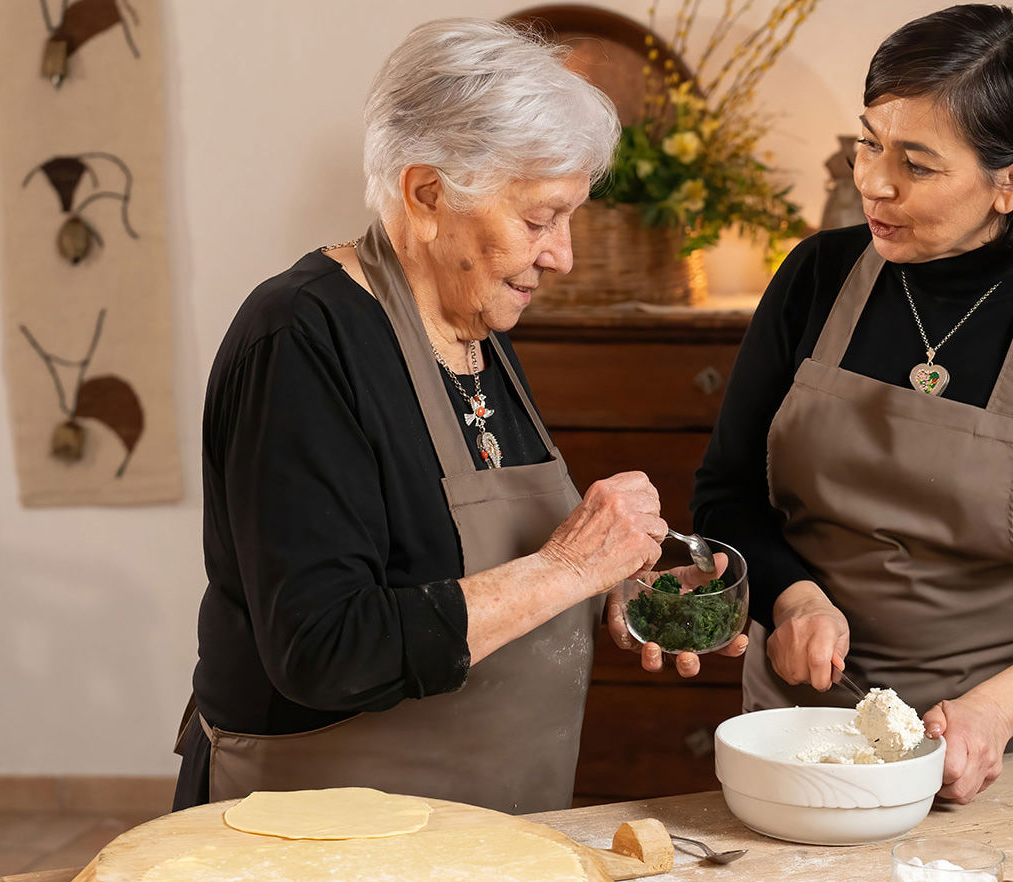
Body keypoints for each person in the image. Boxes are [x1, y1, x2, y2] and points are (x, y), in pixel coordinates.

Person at [174, 18, 743, 815]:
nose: (563, 256)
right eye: (540, 219)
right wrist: (566, 570)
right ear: (427, 194)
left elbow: (470, 573)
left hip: (486, 826)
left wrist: (615, 585)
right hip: (318, 832)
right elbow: (324, 649)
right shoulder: (300, 340)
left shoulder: (475, 330)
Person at [692, 4, 1013, 804]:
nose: (875, 182)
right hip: (802, 730)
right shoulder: (815, 278)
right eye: (869, 144)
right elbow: (726, 492)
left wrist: (990, 714)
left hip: (992, 752)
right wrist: (794, 597)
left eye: (917, 164)